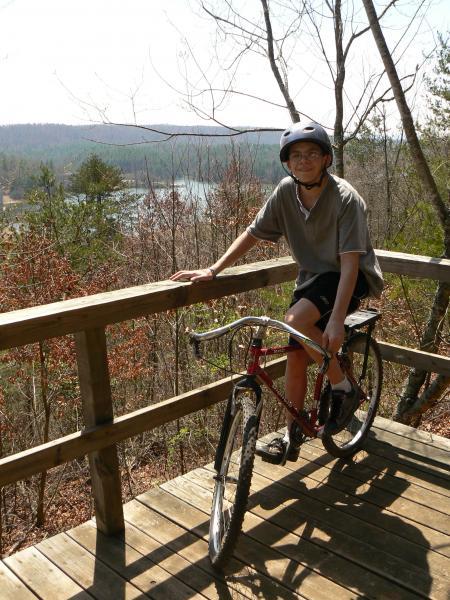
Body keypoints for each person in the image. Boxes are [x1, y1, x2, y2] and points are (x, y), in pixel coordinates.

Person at [171, 121, 384, 464]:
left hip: (350, 276)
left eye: (312, 153)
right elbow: (253, 233)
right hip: (313, 278)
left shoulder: (346, 199)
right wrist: (214, 269)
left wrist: (336, 323)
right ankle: (292, 434)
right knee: (295, 352)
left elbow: (349, 265)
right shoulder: (286, 192)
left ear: (326, 159)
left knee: (295, 320)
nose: (303, 161)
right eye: (295, 155)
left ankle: (343, 386)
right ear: (287, 162)